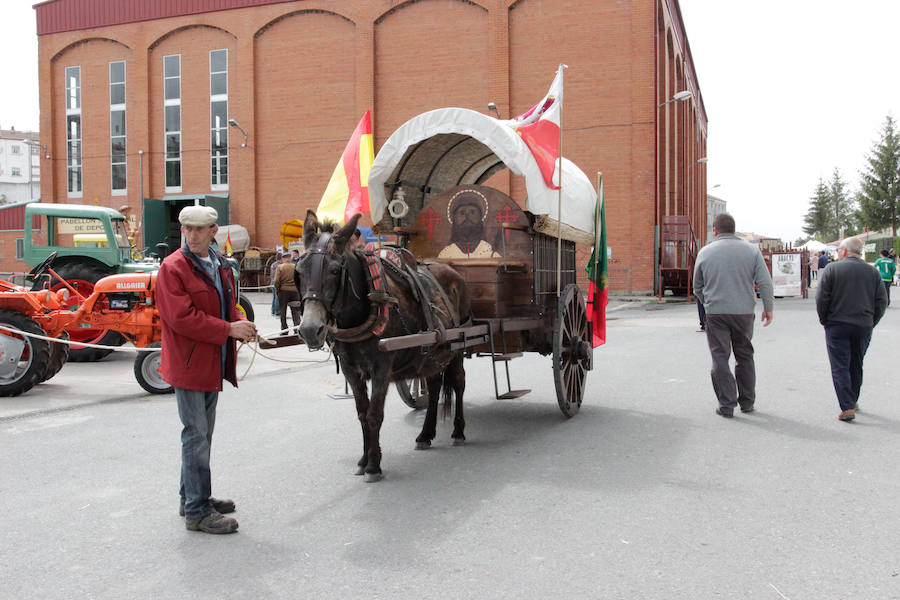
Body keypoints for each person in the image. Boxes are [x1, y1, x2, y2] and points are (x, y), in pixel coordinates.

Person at [156, 205, 257, 535]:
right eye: (188, 229)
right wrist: (228, 330)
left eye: (200, 229)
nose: (193, 235)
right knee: (196, 436)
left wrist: (241, 322)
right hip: (188, 365)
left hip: (210, 363)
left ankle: (192, 498)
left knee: (201, 436)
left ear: (214, 231)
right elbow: (180, 318)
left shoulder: (219, 264)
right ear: (182, 230)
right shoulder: (172, 268)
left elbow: (229, 306)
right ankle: (197, 512)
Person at [693, 213, 774, 418]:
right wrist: (768, 307)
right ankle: (747, 402)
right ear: (734, 229)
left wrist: (708, 302)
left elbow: (697, 287)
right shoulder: (751, 251)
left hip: (716, 312)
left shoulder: (705, 252)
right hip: (744, 312)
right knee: (745, 356)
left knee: (720, 357)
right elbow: (764, 281)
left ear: (715, 230)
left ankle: (726, 404)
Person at [816, 237, 887, 422]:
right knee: (856, 363)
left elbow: (822, 297)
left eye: (839, 250)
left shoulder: (832, 269)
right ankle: (852, 399)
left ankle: (846, 406)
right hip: (863, 324)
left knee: (840, 365)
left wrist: (825, 319)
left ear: (844, 251)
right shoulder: (872, 272)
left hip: (837, 323)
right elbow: (882, 301)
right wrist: (872, 321)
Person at [438, 190, 500, 259]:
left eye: (472, 212)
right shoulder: (446, 253)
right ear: (454, 219)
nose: (467, 216)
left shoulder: (490, 252)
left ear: (480, 218)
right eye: (462, 212)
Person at [273, 251, 300, 332]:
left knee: (283, 311)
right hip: (295, 292)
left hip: (283, 291)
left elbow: (276, 281)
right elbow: (299, 279)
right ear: (290, 258)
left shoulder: (280, 267)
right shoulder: (295, 267)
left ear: (283, 259)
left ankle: (284, 329)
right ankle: (296, 329)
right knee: (295, 311)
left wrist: (278, 290)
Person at [270, 252, 282, 316]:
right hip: (277, 283)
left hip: (272, 282)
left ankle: (273, 310)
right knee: (277, 297)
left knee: (274, 297)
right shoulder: (279, 265)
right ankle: (277, 311)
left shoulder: (273, 264)